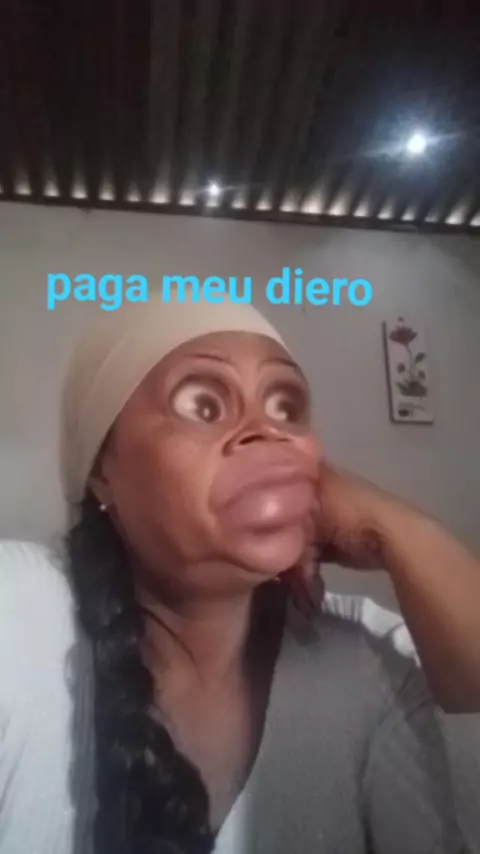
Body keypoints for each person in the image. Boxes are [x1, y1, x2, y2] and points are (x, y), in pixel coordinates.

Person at [0, 290, 476, 854]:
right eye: (202, 404)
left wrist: (395, 526)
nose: (266, 431)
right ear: (103, 470)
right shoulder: (20, 614)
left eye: (285, 407)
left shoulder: (362, 659)